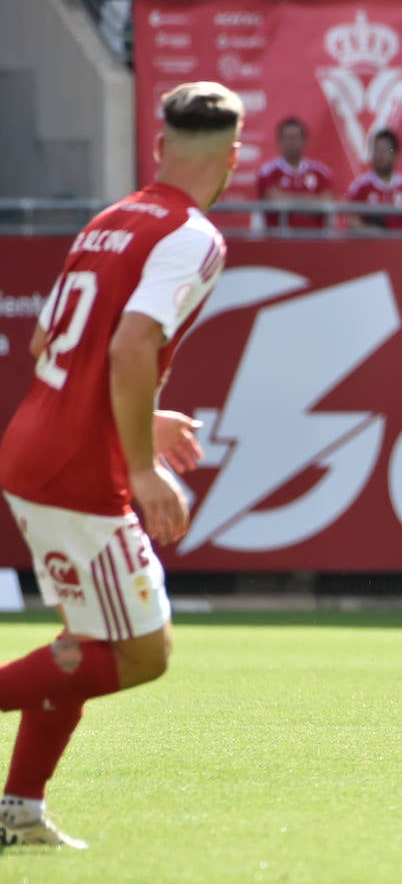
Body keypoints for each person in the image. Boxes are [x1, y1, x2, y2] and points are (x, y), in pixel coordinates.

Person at [0, 81, 244, 848]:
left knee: (85, 636)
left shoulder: (110, 220)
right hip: (79, 466)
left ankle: (19, 810)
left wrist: (145, 419)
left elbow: (49, 346)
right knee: (144, 651)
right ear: (233, 159)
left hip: (35, 441)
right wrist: (141, 467)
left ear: (159, 145)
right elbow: (132, 345)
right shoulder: (195, 236)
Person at [255, 117, 335, 231]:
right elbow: (274, 202)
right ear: (279, 141)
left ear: (304, 141)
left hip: (316, 241)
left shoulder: (321, 172)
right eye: (287, 138)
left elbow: (326, 203)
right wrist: (312, 201)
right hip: (279, 242)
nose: (291, 142)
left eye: (295, 138)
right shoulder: (267, 173)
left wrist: (287, 200)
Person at [344, 129, 402, 232]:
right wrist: (375, 233)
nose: (381, 156)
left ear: (396, 154)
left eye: (386, 150)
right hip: (373, 246)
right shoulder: (360, 187)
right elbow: (353, 223)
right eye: (377, 150)